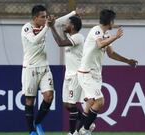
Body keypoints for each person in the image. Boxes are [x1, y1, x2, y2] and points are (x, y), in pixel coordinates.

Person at [77, 9, 138, 135]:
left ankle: (77, 132)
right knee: (100, 102)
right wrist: (115, 36)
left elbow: (111, 54)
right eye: (113, 21)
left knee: (89, 105)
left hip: (96, 75)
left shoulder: (104, 35)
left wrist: (127, 61)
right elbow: (100, 44)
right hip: (86, 73)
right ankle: (85, 130)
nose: (114, 23)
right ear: (110, 21)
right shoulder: (96, 30)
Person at [47, 9, 94, 135]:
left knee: (72, 105)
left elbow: (60, 43)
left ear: (72, 26)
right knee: (66, 105)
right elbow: (57, 23)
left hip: (76, 76)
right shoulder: (69, 36)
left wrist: (51, 28)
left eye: (67, 24)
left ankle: (72, 132)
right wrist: (73, 13)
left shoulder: (78, 37)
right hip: (68, 75)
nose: (64, 25)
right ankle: (87, 122)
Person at [21, 5, 54, 135]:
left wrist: (73, 13)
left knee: (49, 96)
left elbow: (59, 21)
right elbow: (34, 40)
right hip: (30, 68)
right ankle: (32, 131)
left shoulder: (44, 25)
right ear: (35, 18)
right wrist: (47, 27)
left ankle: (38, 121)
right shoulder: (26, 28)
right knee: (30, 100)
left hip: (45, 67)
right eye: (43, 17)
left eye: (46, 16)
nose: (45, 19)